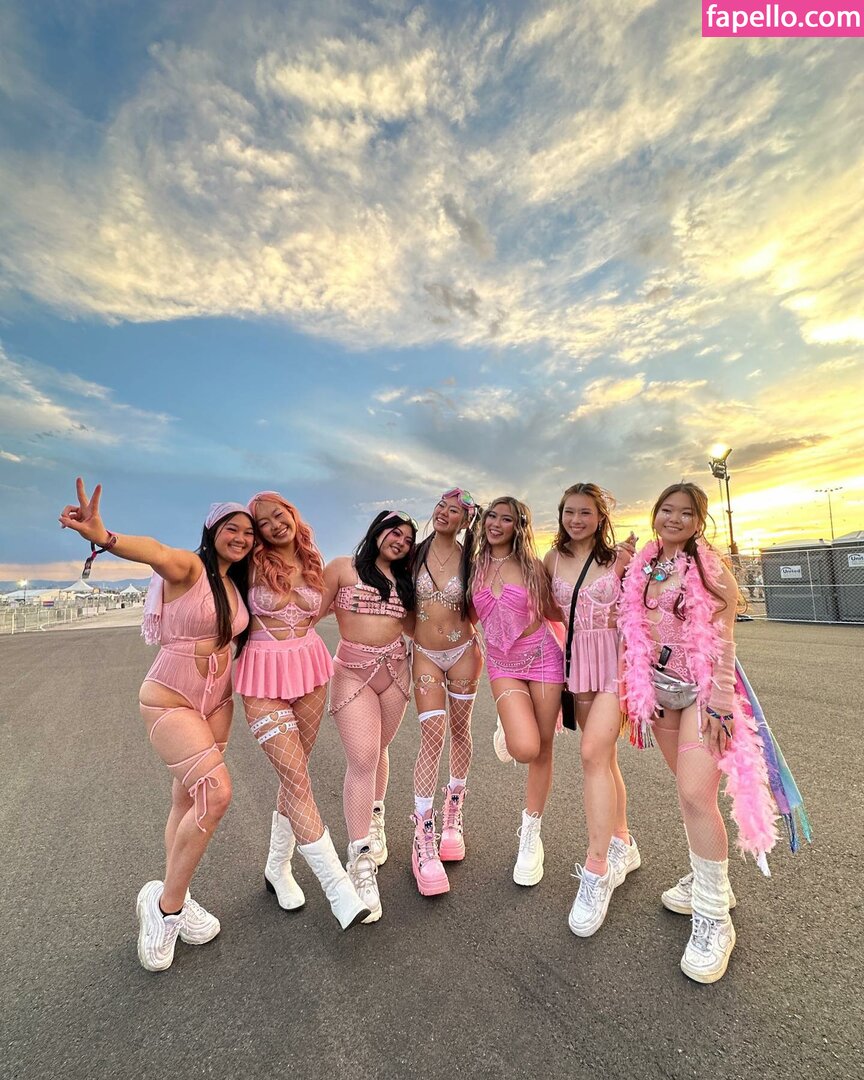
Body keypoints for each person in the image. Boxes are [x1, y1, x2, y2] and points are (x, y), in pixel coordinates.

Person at [58, 478, 253, 972]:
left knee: (187, 800)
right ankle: (166, 909)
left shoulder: (236, 586)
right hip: (170, 697)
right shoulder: (189, 567)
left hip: (218, 702)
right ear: (212, 531)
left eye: (249, 533)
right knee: (216, 794)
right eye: (232, 528)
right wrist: (106, 538)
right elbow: (156, 552)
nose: (242, 537)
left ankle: (175, 893)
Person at [617, 483, 745, 983]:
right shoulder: (644, 563)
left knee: (696, 793)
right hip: (659, 692)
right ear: (655, 514)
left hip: (701, 693)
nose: (674, 518)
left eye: (685, 513)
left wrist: (721, 703)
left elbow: (725, 639)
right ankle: (709, 880)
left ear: (698, 520)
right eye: (666, 510)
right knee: (687, 792)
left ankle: (714, 918)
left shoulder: (709, 568)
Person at [235, 492, 369, 930]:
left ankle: (277, 866)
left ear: (292, 515)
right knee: (296, 778)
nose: (275, 525)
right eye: (264, 522)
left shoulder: (314, 562)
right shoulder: (249, 564)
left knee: (294, 775)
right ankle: (338, 889)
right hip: (261, 676)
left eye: (280, 515)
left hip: (310, 672)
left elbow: (346, 601)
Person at [544, 484, 639, 937]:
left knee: (590, 756)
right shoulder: (551, 560)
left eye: (585, 512)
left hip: (616, 665)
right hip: (577, 665)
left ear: (601, 517)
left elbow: (645, 608)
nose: (576, 520)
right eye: (569, 512)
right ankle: (623, 841)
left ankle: (597, 869)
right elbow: (544, 609)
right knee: (604, 758)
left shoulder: (619, 558)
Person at [320, 510, 417, 922]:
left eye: (408, 539)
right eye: (394, 532)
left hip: (395, 673)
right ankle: (359, 859)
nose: (400, 541)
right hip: (351, 673)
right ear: (377, 531)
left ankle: (375, 816)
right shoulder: (343, 568)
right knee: (362, 758)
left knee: (379, 748)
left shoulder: (406, 581)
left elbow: (418, 627)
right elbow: (307, 613)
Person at [469, 496, 564, 886]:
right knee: (524, 747)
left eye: (505, 519)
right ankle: (509, 723)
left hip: (543, 659)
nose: (495, 523)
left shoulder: (532, 567)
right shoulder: (473, 566)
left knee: (542, 748)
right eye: (491, 516)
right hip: (502, 665)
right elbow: (463, 614)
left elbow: (557, 611)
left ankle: (531, 833)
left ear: (518, 527)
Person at [408, 488, 483, 896]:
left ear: (465, 521)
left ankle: (453, 814)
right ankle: (423, 829)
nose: (443, 513)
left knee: (460, 730)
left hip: (464, 653)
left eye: (454, 511)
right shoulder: (414, 554)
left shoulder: (472, 560)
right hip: (424, 655)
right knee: (432, 735)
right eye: (441, 506)